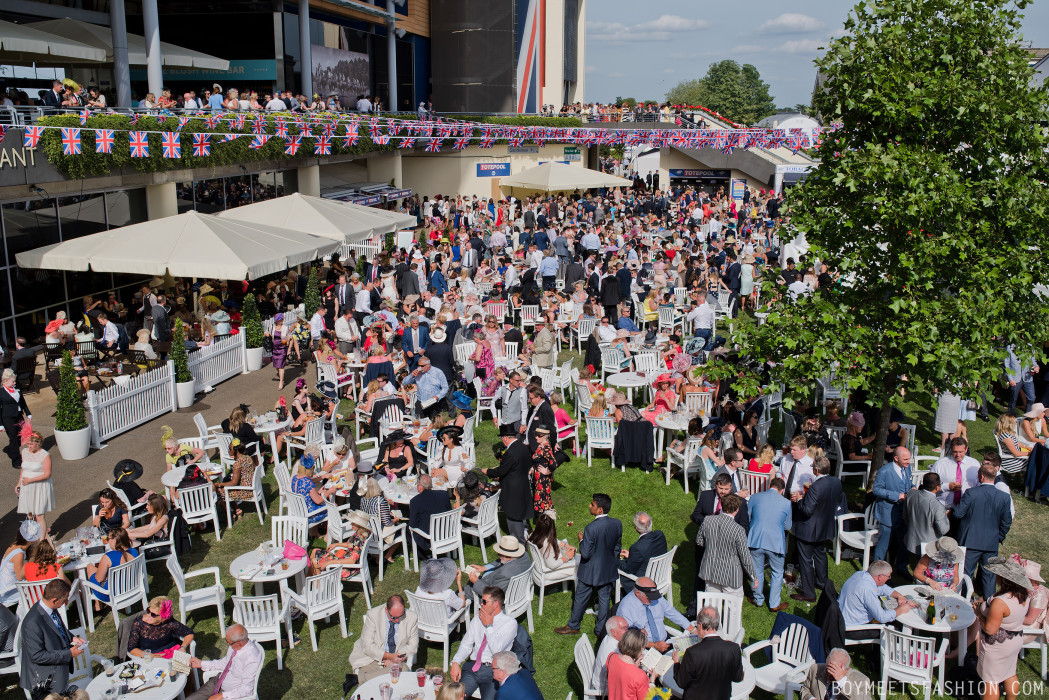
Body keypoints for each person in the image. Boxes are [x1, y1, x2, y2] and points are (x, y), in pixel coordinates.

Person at [555, 493, 622, 637]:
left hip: (590, 570)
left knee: (580, 597)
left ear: (600, 510)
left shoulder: (590, 528)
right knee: (604, 599)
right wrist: (612, 561)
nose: (589, 506)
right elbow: (617, 547)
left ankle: (573, 625)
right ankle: (601, 630)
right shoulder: (617, 524)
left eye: (592, 504)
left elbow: (585, 553)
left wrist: (581, 540)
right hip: (607, 569)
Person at [973, 557, 1031, 700]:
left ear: (1005, 579)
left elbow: (990, 629)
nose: (996, 576)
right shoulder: (1024, 595)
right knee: (1010, 673)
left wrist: (979, 614)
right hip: (1015, 641)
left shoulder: (1001, 602)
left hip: (996, 646)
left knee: (991, 682)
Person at [789, 456, 846, 602]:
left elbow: (807, 510)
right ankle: (822, 582)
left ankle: (809, 592)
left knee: (806, 560)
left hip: (808, 529)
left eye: (813, 466)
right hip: (824, 526)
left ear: (817, 470)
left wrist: (800, 499)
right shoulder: (836, 482)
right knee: (820, 554)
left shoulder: (816, 487)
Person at [955, 463, 1014, 599]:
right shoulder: (1004, 497)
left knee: (966, 573)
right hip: (991, 542)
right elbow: (1006, 522)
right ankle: (989, 602)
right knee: (989, 575)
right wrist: (998, 536)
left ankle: (964, 600)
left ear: (981, 476)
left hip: (971, 541)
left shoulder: (971, 493)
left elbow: (958, 513)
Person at [20, 578, 86, 697]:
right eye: (64, 600)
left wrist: (71, 638)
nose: (66, 603)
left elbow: (57, 628)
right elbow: (36, 656)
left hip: (57, 673)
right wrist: (69, 654)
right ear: (54, 600)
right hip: (44, 681)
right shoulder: (32, 623)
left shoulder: (51, 608)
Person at [450, 587, 519, 700]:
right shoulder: (477, 618)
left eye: (484, 602)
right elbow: (466, 643)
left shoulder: (509, 624)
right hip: (472, 668)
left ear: (496, 604)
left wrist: (488, 626)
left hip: (493, 671)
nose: (481, 604)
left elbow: (497, 651)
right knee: (455, 697)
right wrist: (456, 662)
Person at [666, 607, 744, 700]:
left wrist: (676, 663)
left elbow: (681, 682)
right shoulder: (734, 648)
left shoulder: (692, 653)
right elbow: (738, 677)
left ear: (701, 625)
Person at [838, 561, 918, 640]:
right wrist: (901, 609)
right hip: (853, 628)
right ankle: (880, 652)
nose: (888, 579)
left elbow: (882, 588)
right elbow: (881, 617)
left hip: (843, 619)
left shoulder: (860, 575)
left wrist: (899, 596)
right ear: (880, 577)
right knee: (895, 633)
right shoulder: (867, 589)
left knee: (891, 618)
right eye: (888, 576)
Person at [348, 595, 419, 683]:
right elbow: (367, 645)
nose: (397, 620)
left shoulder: (412, 617)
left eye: (401, 616)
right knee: (402, 672)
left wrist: (395, 658)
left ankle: (358, 679)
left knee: (403, 670)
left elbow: (413, 646)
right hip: (372, 657)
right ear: (386, 610)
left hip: (396, 659)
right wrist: (388, 656)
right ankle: (368, 679)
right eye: (393, 617)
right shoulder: (373, 615)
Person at [483, 425, 534, 543]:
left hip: (513, 491)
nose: (502, 441)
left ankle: (519, 547)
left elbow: (501, 471)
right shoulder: (523, 447)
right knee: (519, 516)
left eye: (501, 438)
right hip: (523, 486)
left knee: (514, 518)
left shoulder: (510, 452)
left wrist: (487, 472)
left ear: (505, 437)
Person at [697, 493, 755, 597]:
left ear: (722, 506)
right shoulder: (739, 530)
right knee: (733, 610)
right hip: (730, 575)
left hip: (710, 570)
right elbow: (745, 556)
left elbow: (699, 541)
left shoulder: (707, 520)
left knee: (712, 608)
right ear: (737, 509)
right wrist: (753, 576)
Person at [747, 476, 792, 611]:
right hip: (776, 543)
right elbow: (787, 526)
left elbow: (748, 517)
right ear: (782, 490)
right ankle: (773, 604)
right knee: (777, 573)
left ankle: (758, 599)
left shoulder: (755, 497)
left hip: (755, 540)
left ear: (769, 486)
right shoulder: (786, 503)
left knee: (756, 572)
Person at [615, 577, 695, 651]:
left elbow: (672, 613)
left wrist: (693, 630)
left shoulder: (656, 597)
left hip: (665, 640)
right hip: (644, 647)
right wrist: (654, 645)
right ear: (638, 593)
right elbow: (627, 637)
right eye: (649, 597)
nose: (653, 599)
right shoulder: (625, 608)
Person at [186, 624, 263, 700]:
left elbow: (246, 690)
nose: (227, 644)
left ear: (239, 643)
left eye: (228, 642)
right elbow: (224, 663)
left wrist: (221, 696)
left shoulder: (251, 658)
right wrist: (201, 663)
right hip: (218, 682)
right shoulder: (234, 647)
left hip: (231, 693)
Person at [871, 446, 914, 575]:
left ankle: (901, 567)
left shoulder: (907, 468)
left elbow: (907, 483)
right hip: (888, 513)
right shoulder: (885, 471)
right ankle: (877, 571)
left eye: (909, 459)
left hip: (903, 512)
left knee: (904, 541)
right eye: (905, 459)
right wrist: (897, 496)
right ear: (896, 458)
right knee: (884, 542)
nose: (908, 462)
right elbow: (876, 490)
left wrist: (913, 487)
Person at [466, 535, 532, 601]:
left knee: (467, 589)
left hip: (497, 598)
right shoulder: (524, 556)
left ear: (508, 557)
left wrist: (476, 581)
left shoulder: (504, 573)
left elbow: (494, 595)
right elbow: (502, 561)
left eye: (499, 554)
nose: (499, 557)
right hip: (519, 591)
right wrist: (484, 567)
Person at [85, 527, 138, 607]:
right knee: (96, 569)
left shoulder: (109, 556)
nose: (107, 541)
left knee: (90, 567)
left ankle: (98, 606)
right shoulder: (134, 552)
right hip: (130, 587)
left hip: (111, 594)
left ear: (114, 540)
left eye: (108, 538)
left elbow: (99, 579)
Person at [903, 472, 950, 561]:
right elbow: (943, 529)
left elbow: (905, 515)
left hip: (911, 541)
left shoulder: (911, 494)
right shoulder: (937, 506)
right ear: (937, 487)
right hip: (928, 547)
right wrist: (946, 516)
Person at [127, 596, 194, 658]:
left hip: (171, 651)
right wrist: (153, 656)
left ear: (163, 617)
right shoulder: (139, 623)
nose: (148, 615)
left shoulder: (169, 622)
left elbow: (189, 633)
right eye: (148, 611)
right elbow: (132, 649)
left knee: (184, 668)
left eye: (153, 614)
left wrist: (183, 647)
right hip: (151, 656)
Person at [618, 512, 667, 594]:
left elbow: (629, 569)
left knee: (614, 569)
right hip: (660, 576)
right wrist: (632, 556)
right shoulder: (660, 535)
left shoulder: (637, 547)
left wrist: (615, 560)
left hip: (644, 581)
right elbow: (649, 553)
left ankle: (624, 599)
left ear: (636, 528)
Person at [799, 648, 874, 700]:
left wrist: (843, 681)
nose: (829, 674)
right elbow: (805, 689)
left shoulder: (860, 680)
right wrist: (811, 698)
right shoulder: (815, 669)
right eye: (828, 668)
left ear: (846, 669)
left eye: (834, 670)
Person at [17, 431, 54, 534]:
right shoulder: (24, 452)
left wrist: (30, 480)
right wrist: (19, 483)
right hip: (26, 486)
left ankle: (42, 541)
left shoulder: (45, 455)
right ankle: (36, 534)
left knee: (39, 514)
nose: (29, 446)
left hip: (40, 486)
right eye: (27, 444)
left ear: (38, 443)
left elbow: (47, 474)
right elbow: (23, 468)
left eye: (31, 444)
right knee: (29, 514)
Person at [605, 627, 656, 700]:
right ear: (640, 648)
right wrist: (652, 681)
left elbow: (621, 676)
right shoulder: (640, 676)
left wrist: (634, 665)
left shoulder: (612, 656)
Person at [408, 474, 453, 553]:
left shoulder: (415, 501)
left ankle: (423, 555)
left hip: (429, 537)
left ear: (420, 486)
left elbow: (413, 524)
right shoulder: (444, 494)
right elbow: (449, 511)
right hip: (447, 532)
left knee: (407, 531)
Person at [0, 368, 31, 468]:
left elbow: (22, 402)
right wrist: (0, 424)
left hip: (19, 416)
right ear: (5, 381)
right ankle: (16, 462)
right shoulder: (1, 393)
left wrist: (28, 413)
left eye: (14, 381)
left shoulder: (16, 389)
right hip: (8, 418)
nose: (14, 383)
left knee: (23, 436)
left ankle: (12, 449)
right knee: (13, 438)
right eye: (12, 381)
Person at [590, 616, 628, 695]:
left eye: (627, 627)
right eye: (624, 628)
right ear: (613, 632)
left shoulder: (609, 637)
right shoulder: (612, 650)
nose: (627, 631)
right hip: (607, 689)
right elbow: (619, 676)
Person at [529, 425, 558, 513]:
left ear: (544, 436)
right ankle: (545, 522)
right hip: (538, 479)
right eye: (536, 435)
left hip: (543, 480)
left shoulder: (546, 448)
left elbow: (554, 464)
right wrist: (533, 468)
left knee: (542, 504)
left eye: (539, 435)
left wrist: (547, 471)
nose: (536, 437)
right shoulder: (540, 446)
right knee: (541, 503)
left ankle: (545, 523)